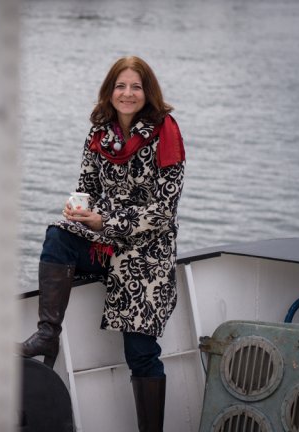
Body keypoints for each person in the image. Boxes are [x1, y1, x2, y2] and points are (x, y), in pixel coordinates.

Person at [20, 56, 185, 432]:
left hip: (147, 253)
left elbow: (162, 213)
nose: (128, 94)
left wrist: (105, 221)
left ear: (148, 92)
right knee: (57, 234)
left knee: (141, 355)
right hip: (104, 242)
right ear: (110, 91)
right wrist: (78, 209)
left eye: (136, 87)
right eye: (121, 86)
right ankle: (48, 334)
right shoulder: (100, 132)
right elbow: (89, 189)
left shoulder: (166, 133)